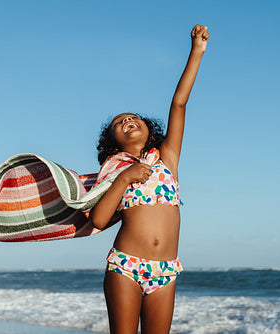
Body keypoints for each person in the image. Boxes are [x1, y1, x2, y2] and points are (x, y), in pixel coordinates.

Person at [90, 24, 209, 334]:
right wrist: (125, 178)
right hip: (125, 266)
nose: (128, 121)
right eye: (119, 123)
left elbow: (179, 103)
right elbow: (99, 220)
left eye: (133, 118)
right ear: (113, 142)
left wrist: (196, 52)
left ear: (148, 128)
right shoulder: (115, 170)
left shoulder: (167, 156)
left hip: (165, 270)